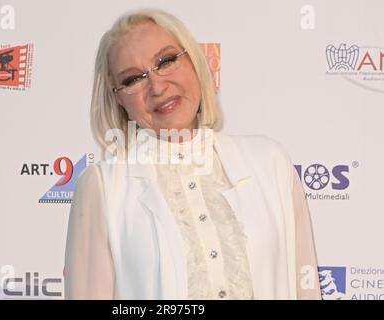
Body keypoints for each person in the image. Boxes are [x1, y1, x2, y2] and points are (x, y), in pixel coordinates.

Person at [64, 8, 321, 300]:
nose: (157, 87)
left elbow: (306, 290)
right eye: (134, 78)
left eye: (166, 61)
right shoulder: (103, 187)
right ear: (118, 99)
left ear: (195, 61)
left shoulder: (270, 163)